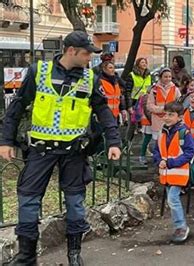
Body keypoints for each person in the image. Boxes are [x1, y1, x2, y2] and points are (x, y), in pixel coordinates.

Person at [0, 30, 121, 265]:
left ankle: (74, 254)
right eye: (86, 53)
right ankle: (27, 256)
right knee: (28, 200)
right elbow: (16, 108)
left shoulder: (90, 79)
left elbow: (103, 112)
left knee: (75, 202)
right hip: (40, 150)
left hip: (74, 152)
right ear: (71, 51)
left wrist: (114, 141)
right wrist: (5, 141)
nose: (90, 58)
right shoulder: (39, 72)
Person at [153, 101, 194, 243]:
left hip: (178, 172)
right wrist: (158, 160)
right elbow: (157, 149)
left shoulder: (184, 132)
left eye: (171, 115)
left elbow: (189, 153)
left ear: (179, 117)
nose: (167, 117)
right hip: (166, 173)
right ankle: (180, 226)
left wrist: (170, 163)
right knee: (173, 199)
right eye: (165, 114)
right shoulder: (162, 131)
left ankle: (181, 226)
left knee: (172, 199)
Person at [147, 68, 181, 142]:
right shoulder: (154, 90)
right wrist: (162, 109)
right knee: (157, 143)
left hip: (171, 121)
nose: (168, 79)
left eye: (169, 77)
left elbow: (179, 104)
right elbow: (149, 106)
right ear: (160, 77)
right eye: (165, 77)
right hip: (158, 121)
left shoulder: (175, 89)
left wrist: (172, 109)